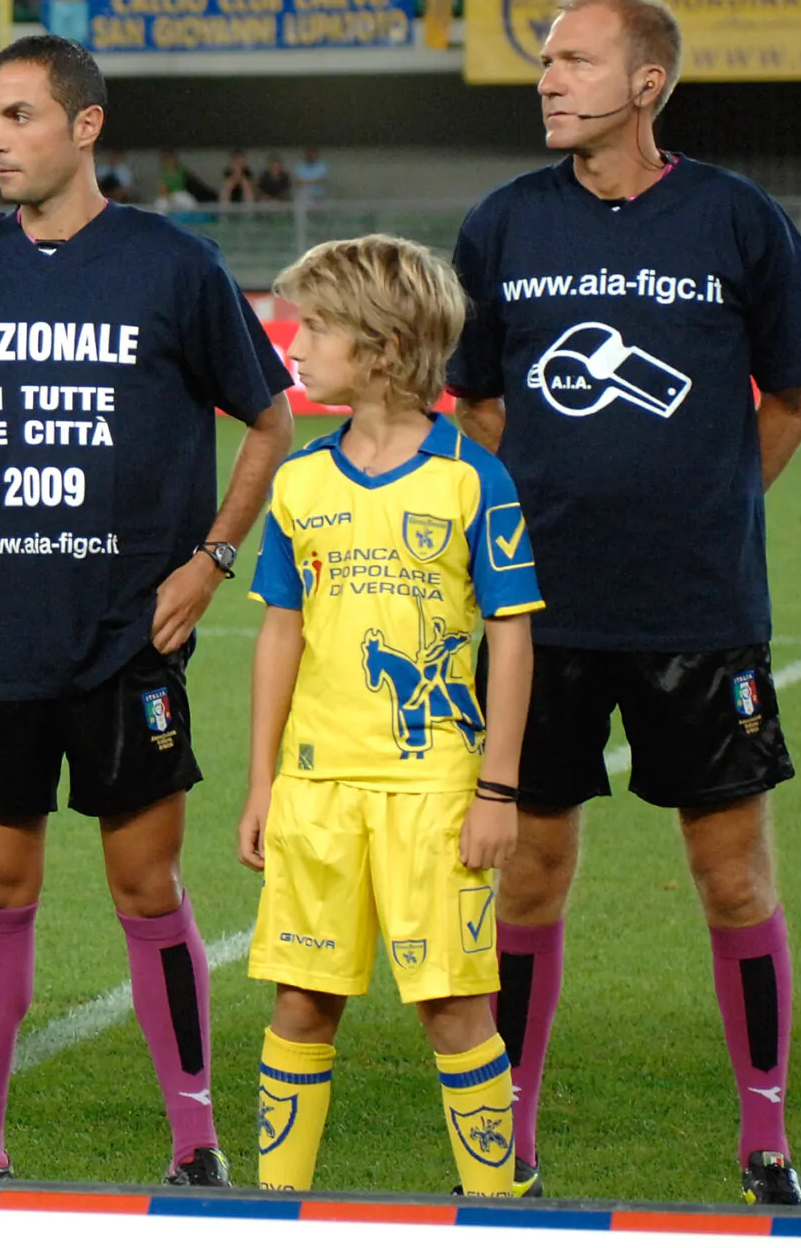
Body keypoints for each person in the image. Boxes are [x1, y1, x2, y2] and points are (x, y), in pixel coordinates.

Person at [0, 34, 295, 1185]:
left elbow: (269, 420)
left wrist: (212, 557)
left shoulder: (173, 264)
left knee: (146, 886)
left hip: (129, 638)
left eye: (16, 116)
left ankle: (197, 1138)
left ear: (85, 125)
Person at [448, 0, 801, 1205]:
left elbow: (791, 398)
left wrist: (704, 509)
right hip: (538, 619)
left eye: (573, 59)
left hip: (696, 615)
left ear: (645, 83)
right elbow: (480, 405)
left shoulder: (738, 219)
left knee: (732, 877)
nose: (548, 78)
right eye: (544, 60)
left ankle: (764, 1136)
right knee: (526, 876)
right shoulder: (503, 225)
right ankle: (505, 1128)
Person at [240, 235, 540, 1195]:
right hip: (318, 786)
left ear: (380, 348)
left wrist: (498, 788)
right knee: (300, 1000)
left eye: (317, 326)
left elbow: (511, 637)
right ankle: (275, 1208)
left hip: (435, 792)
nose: (297, 341)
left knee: (454, 1005)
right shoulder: (300, 484)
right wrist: (262, 784)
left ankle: (497, 1204)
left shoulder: (471, 479)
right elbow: (279, 637)